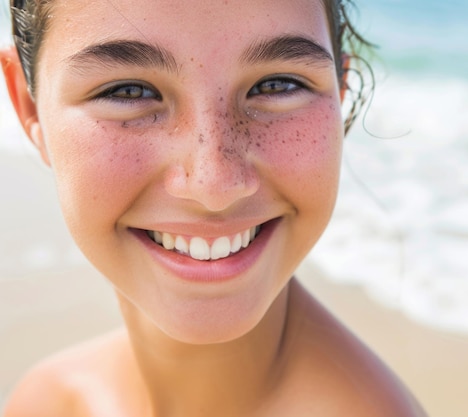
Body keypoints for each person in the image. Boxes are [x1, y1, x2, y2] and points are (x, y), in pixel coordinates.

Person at [1, 0, 427, 416]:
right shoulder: (50, 400)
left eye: (277, 84)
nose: (215, 184)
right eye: (128, 92)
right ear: (29, 106)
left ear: (341, 95)